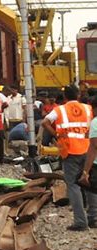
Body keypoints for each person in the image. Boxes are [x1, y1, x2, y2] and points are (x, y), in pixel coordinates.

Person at [42, 85, 95, 231]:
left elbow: (44, 122)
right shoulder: (87, 108)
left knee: (73, 185)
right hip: (88, 149)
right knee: (90, 182)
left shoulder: (59, 110)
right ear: (78, 95)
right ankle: (93, 218)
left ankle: (80, 222)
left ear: (64, 97)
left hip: (69, 150)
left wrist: (56, 134)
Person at [78, 94, 97, 228]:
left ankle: (93, 217)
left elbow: (94, 147)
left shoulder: (95, 122)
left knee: (92, 188)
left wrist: (86, 171)